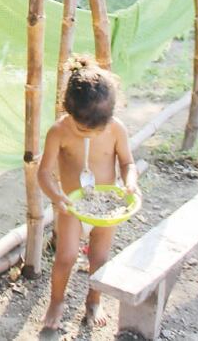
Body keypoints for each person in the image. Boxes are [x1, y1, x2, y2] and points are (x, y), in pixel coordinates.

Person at [36, 54, 140, 332]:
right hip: (71, 205)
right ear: (68, 110)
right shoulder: (59, 131)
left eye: (98, 129)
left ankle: (94, 301)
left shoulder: (116, 129)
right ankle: (56, 301)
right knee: (66, 257)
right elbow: (44, 173)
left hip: (106, 206)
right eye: (83, 129)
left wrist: (130, 182)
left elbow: (127, 163)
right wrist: (58, 198)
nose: (90, 135)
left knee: (100, 258)